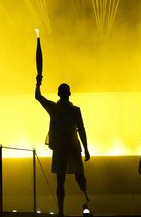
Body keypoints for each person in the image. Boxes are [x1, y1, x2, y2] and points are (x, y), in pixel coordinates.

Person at [35, 76, 90, 217]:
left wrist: (38, 83)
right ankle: (85, 197)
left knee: (62, 180)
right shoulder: (73, 110)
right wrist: (86, 148)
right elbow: (82, 130)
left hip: (63, 148)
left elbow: (38, 96)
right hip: (71, 147)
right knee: (77, 176)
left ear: (59, 94)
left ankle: (62, 209)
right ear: (69, 94)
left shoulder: (55, 109)